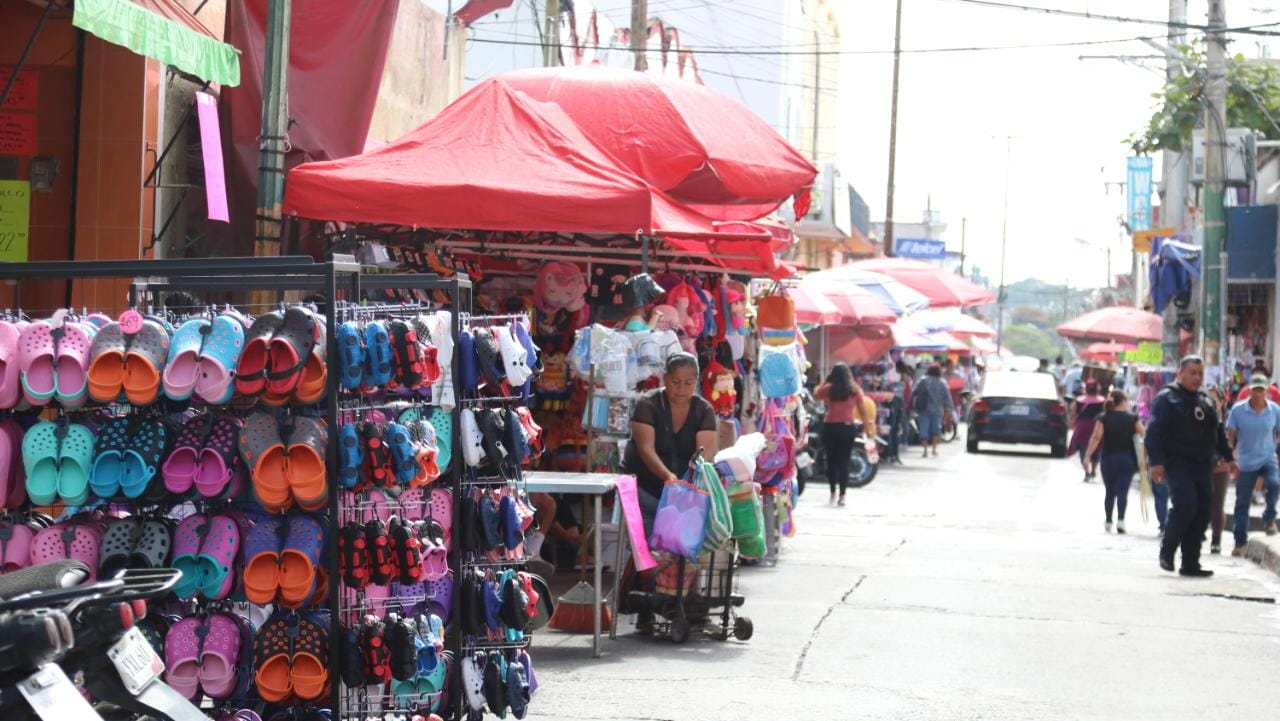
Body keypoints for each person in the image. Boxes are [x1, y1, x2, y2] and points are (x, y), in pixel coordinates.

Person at [1145, 356, 1237, 577]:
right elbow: (1153, 433)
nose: (1197, 377)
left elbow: (1218, 434)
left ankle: (1190, 563)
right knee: (1185, 505)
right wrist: (1156, 463)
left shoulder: (1205, 401)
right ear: (1180, 373)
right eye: (1192, 372)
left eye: (1200, 373)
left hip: (1202, 465)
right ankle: (1167, 551)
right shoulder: (1167, 399)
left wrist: (1230, 458)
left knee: (1202, 512)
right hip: (1177, 463)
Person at [624, 352, 719, 534]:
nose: (681, 389)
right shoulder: (648, 404)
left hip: (683, 492)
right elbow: (645, 449)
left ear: (696, 382)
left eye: (688, 383)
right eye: (675, 382)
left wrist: (685, 485)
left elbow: (703, 456)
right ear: (665, 378)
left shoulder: (704, 410)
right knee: (650, 543)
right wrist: (668, 477)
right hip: (645, 487)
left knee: (679, 544)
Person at [1225, 374, 1280, 557]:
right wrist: (1230, 458)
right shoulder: (1238, 410)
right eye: (1254, 390)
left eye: (1261, 390)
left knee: (1274, 484)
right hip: (1246, 462)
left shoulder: (1274, 411)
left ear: (1266, 392)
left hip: (1268, 459)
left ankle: (1269, 519)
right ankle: (1240, 541)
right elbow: (1231, 434)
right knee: (1242, 502)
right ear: (1249, 391)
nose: (1257, 394)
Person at [1084, 390, 1145, 533]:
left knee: (1110, 491)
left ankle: (1108, 520)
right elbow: (1143, 434)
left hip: (1108, 458)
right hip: (1127, 460)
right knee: (1123, 491)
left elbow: (1096, 437)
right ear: (1122, 401)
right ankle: (1121, 521)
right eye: (1127, 400)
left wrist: (1087, 455)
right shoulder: (1132, 418)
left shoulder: (1103, 417)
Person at [814, 363, 864, 507]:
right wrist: (867, 425)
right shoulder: (855, 390)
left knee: (831, 461)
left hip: (830, 427)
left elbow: (816, 395)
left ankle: (832, 493)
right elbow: (862, 409)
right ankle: (842, 496)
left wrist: (825, 381)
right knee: (844, 462)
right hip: (848, 427)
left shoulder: (829, 389)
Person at [1204, 385, 1233, 554]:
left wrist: (1232, 460)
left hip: (1221, 467)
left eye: (1214, 399)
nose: (1211, 402)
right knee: (1200, 503)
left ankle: (1216, 540)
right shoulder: (1198, 416)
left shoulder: (1228, 420)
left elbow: (1230, 442)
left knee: (1217, 504)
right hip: (1201, 465)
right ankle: (1198, 533)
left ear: (1222, 402)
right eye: (1207, 398)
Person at [1067, 379, 1107, 482]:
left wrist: (1071, 422)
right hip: (1097, 426)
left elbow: (1073, 413)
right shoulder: (1102, 400)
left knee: (1083, 450)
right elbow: (1106, 413)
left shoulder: (1078, 400)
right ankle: (1093, 470)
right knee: (1096, 448)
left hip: (1082, 428)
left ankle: (1087, 472)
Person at [912, 364, 954, 458]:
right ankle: (934, 450)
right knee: (936, 430)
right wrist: (949, 409)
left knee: (924, 430)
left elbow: (914, 393)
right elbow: (947, 397)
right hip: (938, 410)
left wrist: (912, 406)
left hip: (923, 409)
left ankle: (925, 450)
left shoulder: (922, 380)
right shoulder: (942, 382)